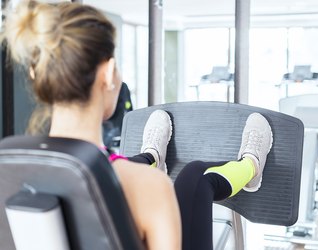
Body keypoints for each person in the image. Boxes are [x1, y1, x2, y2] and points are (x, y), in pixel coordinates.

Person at [1, 1, 273, 250]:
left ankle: (153, 156)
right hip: (138, 181)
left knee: (130, 166)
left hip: (115, 169)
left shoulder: (8, 173)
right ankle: (251, 165)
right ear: (107, 74)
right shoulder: (148, 187)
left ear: (35, 73)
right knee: (196, 177)